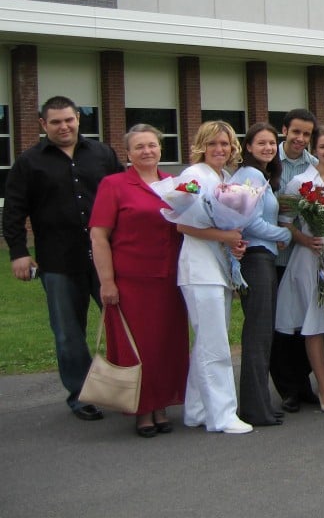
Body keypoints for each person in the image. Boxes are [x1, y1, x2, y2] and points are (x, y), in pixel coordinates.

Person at [4, 96, 123, 422]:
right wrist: (19, 253)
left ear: (78, 119)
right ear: (43, 125)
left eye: (68, 119)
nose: (63, 126)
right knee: (69, 334)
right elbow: (13, 210)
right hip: (58, 262)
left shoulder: (102, 154)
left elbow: (126, 195)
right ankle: (82, 395)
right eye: (55, 122)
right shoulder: (29, 162)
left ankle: (129, 389)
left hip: (108, 260)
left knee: (122, 326)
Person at [89, 124, 187, 436]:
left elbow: (196, 219)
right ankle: (143, 410)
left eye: (152, 146)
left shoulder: (175, 184)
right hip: (133, 281)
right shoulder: (114, 184)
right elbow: (99, 236)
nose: (147, 151)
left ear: (161, 149)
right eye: (139, 147)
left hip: (170, 279)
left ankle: (161, 406)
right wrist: (107, 282)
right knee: (139, 347)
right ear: (128, 153)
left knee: (166, 345)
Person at [177, 120, 251, 434]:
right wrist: (223, 235)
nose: (219, 150)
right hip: (198, 268)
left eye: (224, 144)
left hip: (219, 268)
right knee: (214, 342)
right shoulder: (192, 176)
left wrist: (233, 242)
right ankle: (222, 415)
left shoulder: (226, 178)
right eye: (212, 144)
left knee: (209, 339)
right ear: (201, 147)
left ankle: (195, 409)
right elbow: (181, 224)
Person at [276, 126, 324, 414]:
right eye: (323, 147)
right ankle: (323, 388)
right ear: (314, 150)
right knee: (316, 326)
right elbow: (284, 220)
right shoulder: (300, 182)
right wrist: (305, 240)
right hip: (310, 261)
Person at [231, 123, 292, 426]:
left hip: (263, 257)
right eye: (262, 143)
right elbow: (250, 222)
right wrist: (285, 233)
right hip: (255, 259)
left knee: (263, 333)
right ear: (248, 147)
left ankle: (261, 403)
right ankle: (254, 408)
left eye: (272, 143)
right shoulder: (251, 175)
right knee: (257, 335)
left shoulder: (261, 175)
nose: (268, 147)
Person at [272, 109, 319, 414]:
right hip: (276, 257)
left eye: (306, 134)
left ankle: (303, 383)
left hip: (304, 259)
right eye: (296, 132)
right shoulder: (269, 162)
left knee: (304, 322)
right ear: (284, 130)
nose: (300, 139)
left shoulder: (313, 166)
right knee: (281, 327)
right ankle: (287, 388)